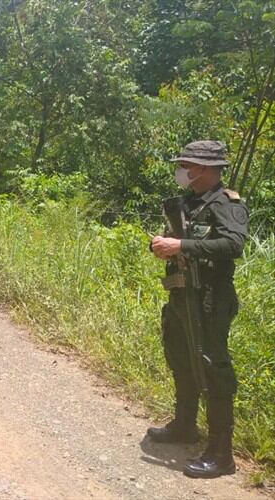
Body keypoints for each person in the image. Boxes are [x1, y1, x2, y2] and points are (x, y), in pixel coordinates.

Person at [148, 140, 249, 479]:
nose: (182, 171)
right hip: (181, 293)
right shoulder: (190, 203)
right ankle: (184, 427)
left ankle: (222, 455)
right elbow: (182, 237)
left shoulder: (226, 203)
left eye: (187, 165)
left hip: (210, 297)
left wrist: (182, 245)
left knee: (211, 368)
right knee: (181, 358)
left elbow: (233, 244)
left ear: (205, 169)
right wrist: (163, 245)